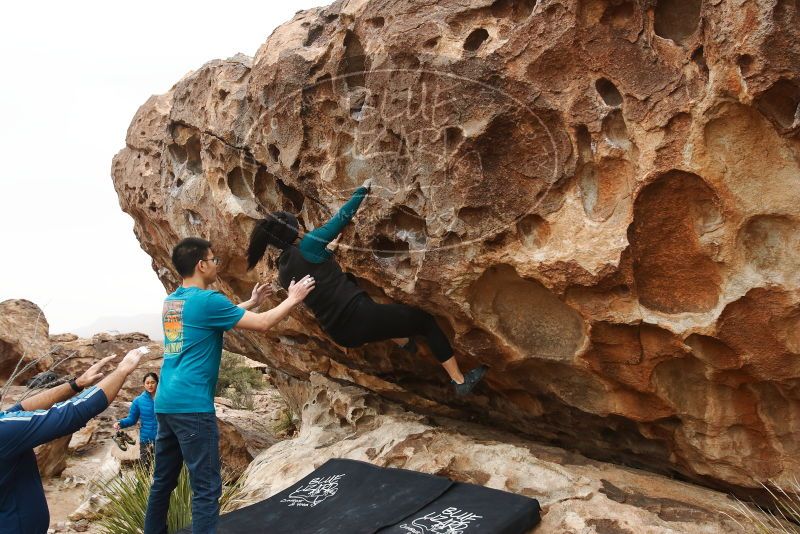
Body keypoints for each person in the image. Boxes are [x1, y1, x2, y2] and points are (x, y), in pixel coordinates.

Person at [246, 178, 487, 396]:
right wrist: (363, 189)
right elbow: (342, 217)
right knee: (424, 322)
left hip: (342, 333)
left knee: (364, 297)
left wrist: (329, 249)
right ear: (292, 229)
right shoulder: (309, 244)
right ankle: (459, 380)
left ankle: (405, 342)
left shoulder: (284, 270)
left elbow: (318, 271)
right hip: (360, 317)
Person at [144, 237, 315, 534]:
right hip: (192, 407)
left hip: (166, 404)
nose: (216, 265)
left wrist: (251, 302)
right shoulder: (208, 301)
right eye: (214, 260)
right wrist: (293, 298)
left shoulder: (173, 301)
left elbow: (208, 318)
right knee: (206, 488)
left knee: (163, 482)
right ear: (201, 264)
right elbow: (261, 324)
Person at [0, 347, 148, 534]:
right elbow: (74, 413)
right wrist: (122, 370)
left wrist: (76, 384)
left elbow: (21, 409)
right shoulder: (4, 430)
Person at [113, 372, 159, 466]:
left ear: (157, 383)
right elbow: (132, 419)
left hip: (163, 439)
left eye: (153, 382)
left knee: (163, 471)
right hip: (146, 440)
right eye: (147, 383)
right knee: (145, 469)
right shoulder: (138, 401)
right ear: (144, 384)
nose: (150, 385)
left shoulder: (164, 398)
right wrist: (120, 423)